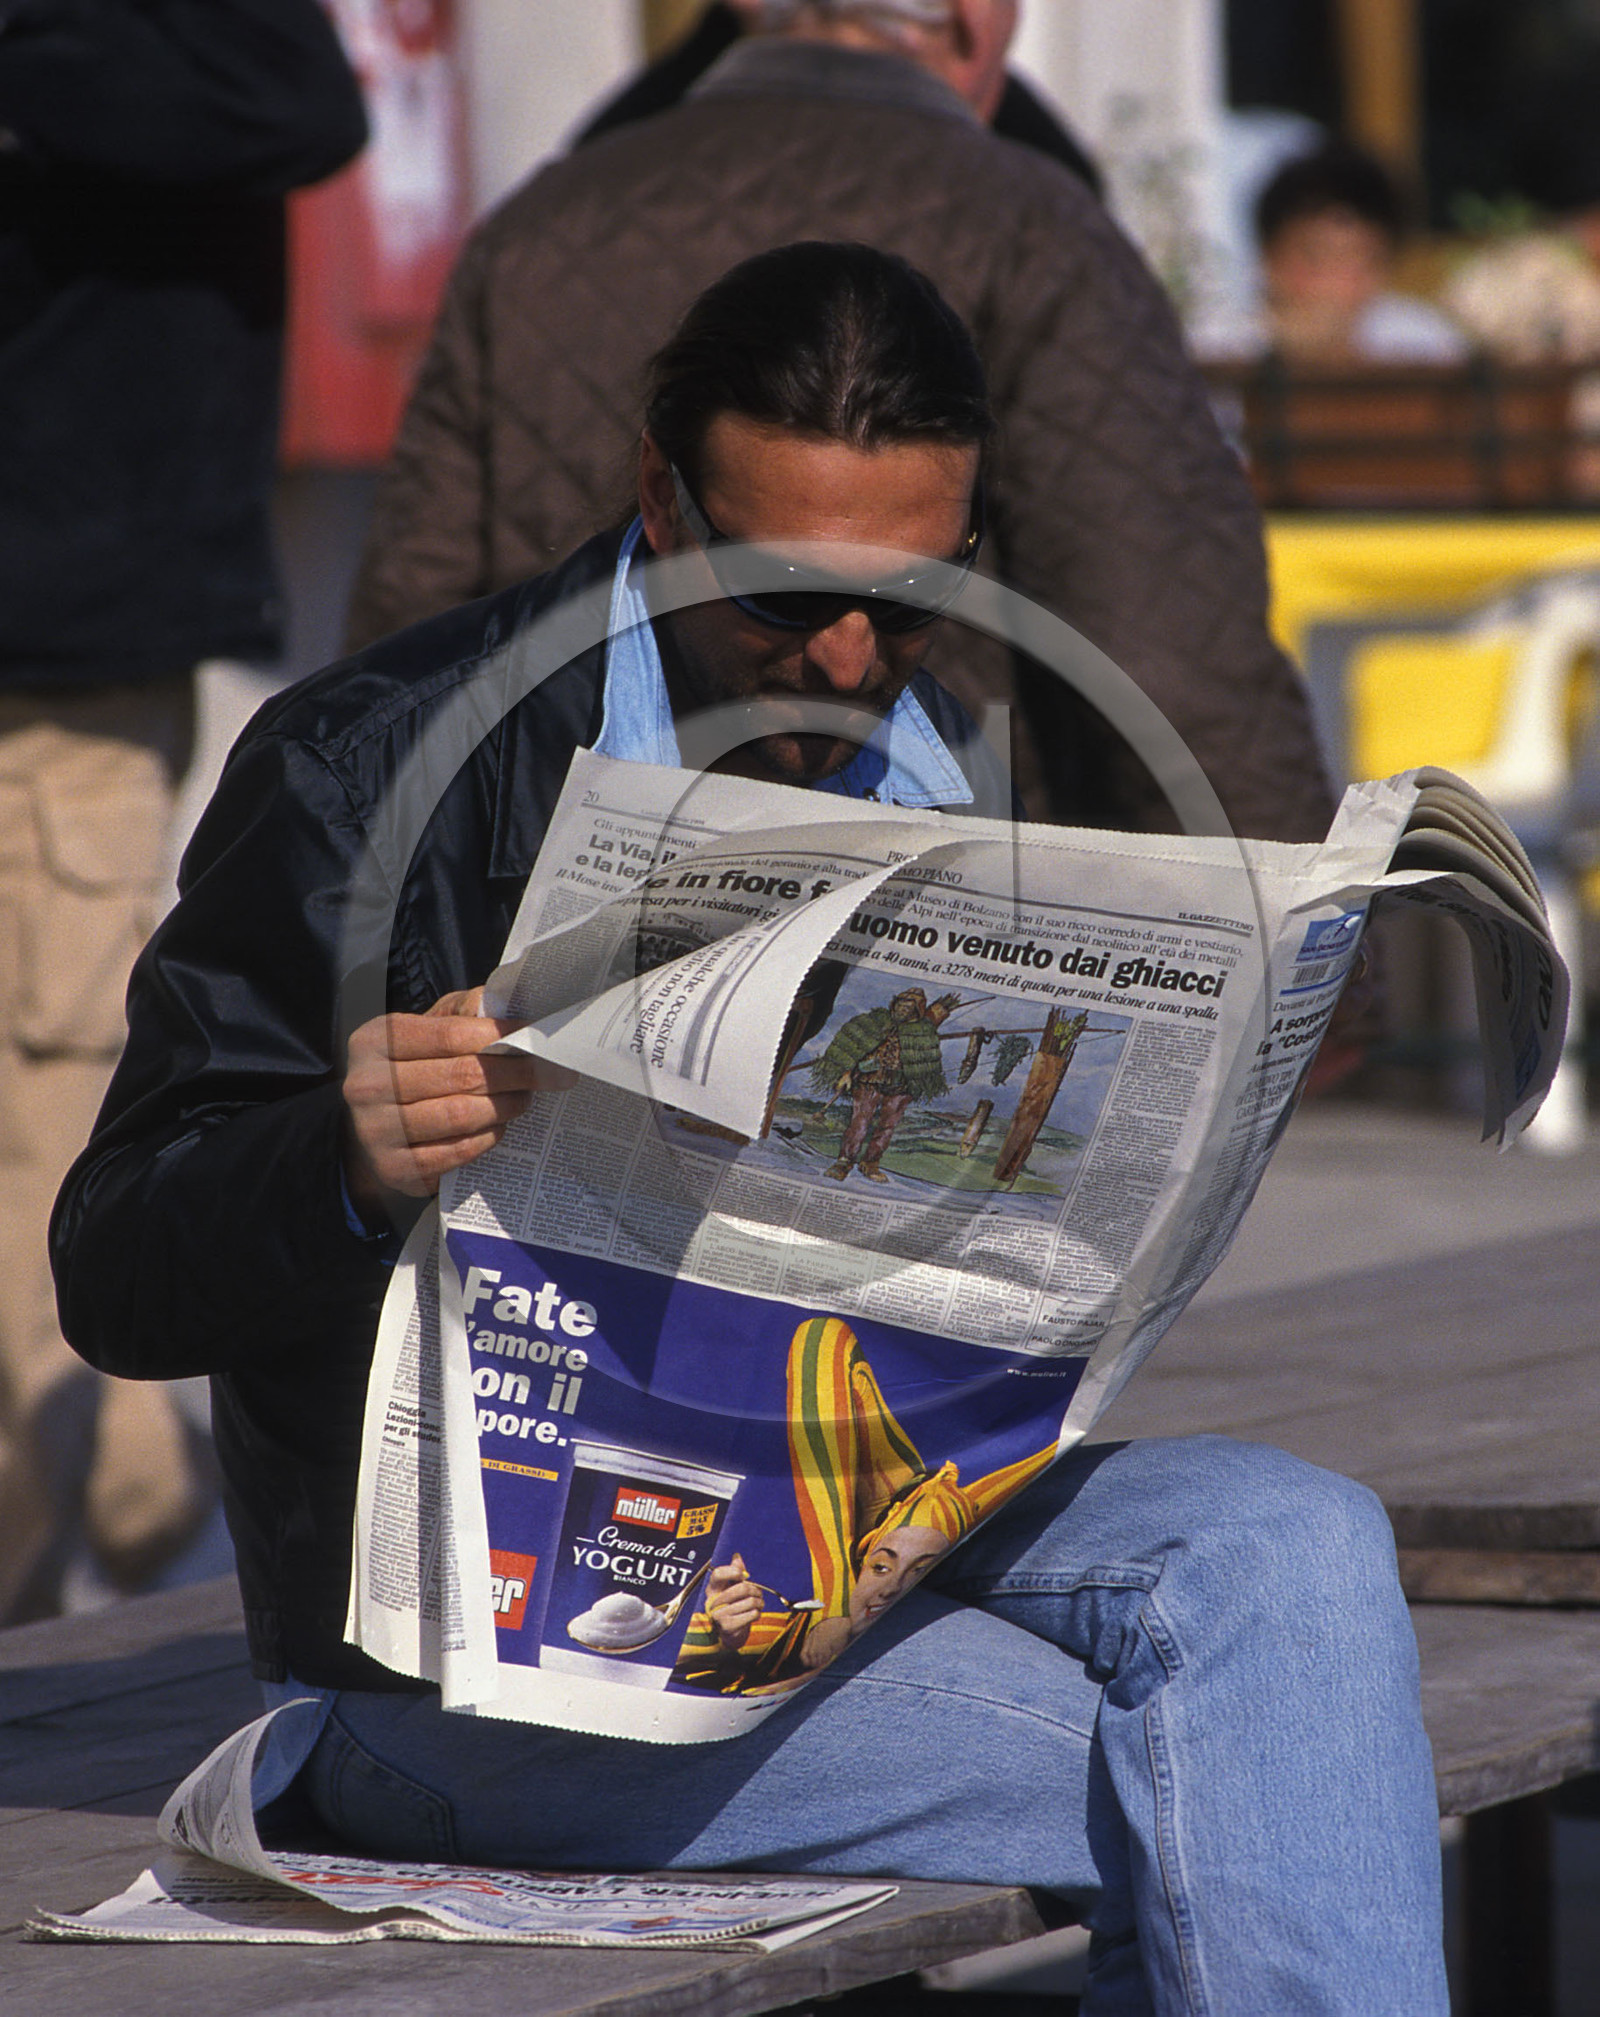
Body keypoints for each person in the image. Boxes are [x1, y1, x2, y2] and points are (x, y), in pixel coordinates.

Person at [54, 245, 1445, 2012]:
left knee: (1294, 1537)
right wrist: (339, 1154)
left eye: (916, 597)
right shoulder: (374, 766)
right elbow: (114, 1263)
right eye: (784, 600)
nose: (853, 656)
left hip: (857, 1513)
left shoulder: (931, 752)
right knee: (1230, 1772)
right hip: (502, 1651)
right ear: (659, 495)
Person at [342, 0, 1335, 846]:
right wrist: (1277, 935)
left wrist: (391, 912)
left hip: (554, 881)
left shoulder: (539, 225)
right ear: (970, 19)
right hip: (915, 889)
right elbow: (1162, 631)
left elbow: (415, 618)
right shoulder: (1035, 226)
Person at [0, 0, 366, 1621]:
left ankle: (118, 1509)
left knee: (53, 1098)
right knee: (48, 1111)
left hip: (72, 632)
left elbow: (289, 101)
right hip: (67, 612)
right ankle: (127, 1505)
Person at [678, 1314, 1057, 1692]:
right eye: (882, 1567)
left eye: (911, 1571)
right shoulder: (791, 1634)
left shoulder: (795, 1629)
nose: (893, 1588)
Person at [1246, 141, 1468, 366]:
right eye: (1316, 257)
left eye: (1352, 260)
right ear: (1269, 258)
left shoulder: (1425, 344)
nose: (1331, 282)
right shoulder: (1226, 347)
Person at [816, 986, 960, 1180]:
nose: (902, 1009)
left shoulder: (922, 1030)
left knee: (887, 1127)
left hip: (901, 1085)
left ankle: (870, 1163)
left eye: (908, 1007)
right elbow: (854, 1048)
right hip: (869, 1080)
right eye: (900, 1005)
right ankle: (844, 1162)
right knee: (859, 1123)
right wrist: (846, 1073)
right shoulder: (875, 1022)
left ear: (917, 1010)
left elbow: (933, 1019)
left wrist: (942, 1008)